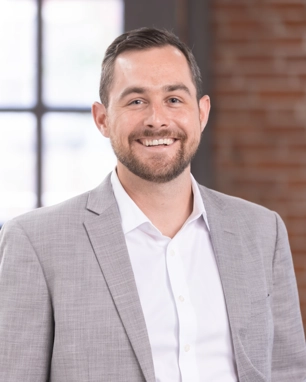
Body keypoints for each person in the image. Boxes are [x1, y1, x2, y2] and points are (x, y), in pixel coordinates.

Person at [0, 27, 305, 382]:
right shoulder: (35, 242)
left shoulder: (262, 231)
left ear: (201, 113)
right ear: (102, 118)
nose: (157, 119)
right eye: (136, 101)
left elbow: (289, 372)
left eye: (174, 99)